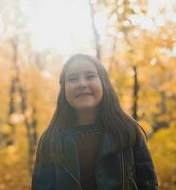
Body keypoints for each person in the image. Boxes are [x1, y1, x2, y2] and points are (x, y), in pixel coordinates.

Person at [32, 54, 158, 190]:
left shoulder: (128, 130)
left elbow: (148, 184)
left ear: (104, 83)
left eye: (90, 76)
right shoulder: (51, 138)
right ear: (63, 90)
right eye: (73, 79)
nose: (82, 84)